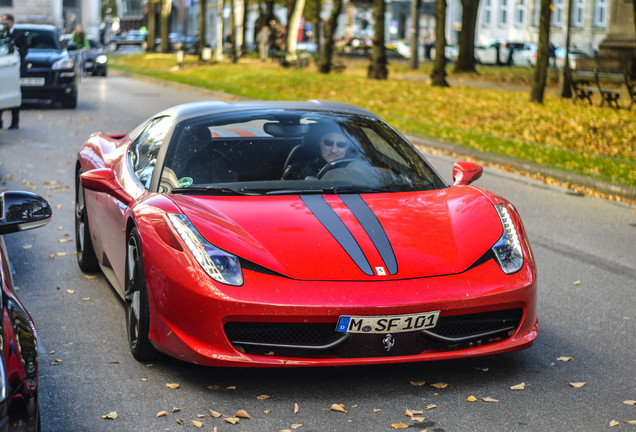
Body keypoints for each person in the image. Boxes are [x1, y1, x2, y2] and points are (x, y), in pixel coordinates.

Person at [283, 130, 352, 180]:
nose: (334, 150)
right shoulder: (296, 171)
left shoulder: (357, 171)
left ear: (347, 147)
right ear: (320, 143)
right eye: (328, 143)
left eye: (341, 145)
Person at [0, 13, 27, 130]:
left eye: (4, 22)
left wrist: (16, 49)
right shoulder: (2, 35)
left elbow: (25, 50)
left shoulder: (19, 34)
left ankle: (15, 122)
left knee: (13, 95)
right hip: (4, 68)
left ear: (10, 22)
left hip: (14, 68)